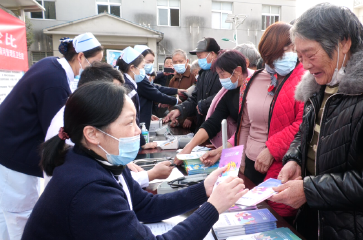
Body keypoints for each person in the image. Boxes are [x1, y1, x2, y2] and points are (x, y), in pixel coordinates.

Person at [22, 81, 247, 240]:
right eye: (129, 123)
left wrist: (204, 190)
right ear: (92, 134)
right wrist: (213, 208)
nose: (138, 132)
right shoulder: (88, 188)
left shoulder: (102, 162)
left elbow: (144, 206)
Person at [267, 4, 363, 240]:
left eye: (310, 54)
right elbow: (306, 132)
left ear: (344, 43)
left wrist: (309, 190)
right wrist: (294, 159)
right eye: (300, 57)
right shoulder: (320, 82)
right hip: (315, 218)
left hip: (358, 228)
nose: (305, 65)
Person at [0, 32, 103, 240]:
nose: (96, 69)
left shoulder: (51, 65)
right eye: (95, 63)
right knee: (20, 216)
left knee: (7, 215)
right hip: (14, 153)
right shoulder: (54, 82)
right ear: (80, 57)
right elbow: (59, 132)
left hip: (9, 145)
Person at [201, 22, 305, 220]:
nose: (289, 54)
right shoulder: (254, 80)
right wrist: (239, 161)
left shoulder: (303, 80)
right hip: (249, 164)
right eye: (283, 50)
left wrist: (271, 149)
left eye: (291, 49)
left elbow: (301, 124)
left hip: (281, 165)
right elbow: (245, 125)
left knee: (276, 221)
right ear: (268, 53)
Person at [44, 62, 172, 189]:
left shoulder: (79, 113)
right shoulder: (76, 124)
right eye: (113, 93)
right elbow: (103, 182)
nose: (119, 99)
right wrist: (151, 174)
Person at [163, 37, 222, 131]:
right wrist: (179, 110)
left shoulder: (223, 72)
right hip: (203, 126)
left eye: (200, 56)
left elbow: (222, 96)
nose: (199, 60)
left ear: (212, 54)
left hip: (218, 127)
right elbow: (195, 98)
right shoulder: (203, 73)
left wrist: (203, 104)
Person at [116, 46, 157, 149]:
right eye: (142, 67)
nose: (143, 70)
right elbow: (133, 120)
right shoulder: (129, 89)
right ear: (132, 68)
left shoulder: (125, 83)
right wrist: (142, 143)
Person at [169, 49, 197, 130]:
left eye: (180, 61)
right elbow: (172, 100)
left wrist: (190, 118)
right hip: (179, 122)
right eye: (175, 62)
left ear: (187, 61)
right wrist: (173, 118)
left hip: (193, 121)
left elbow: (197, 98)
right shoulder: (173, 80)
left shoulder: (194, 75)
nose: (178, 64)